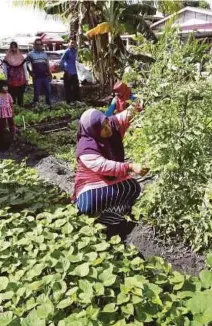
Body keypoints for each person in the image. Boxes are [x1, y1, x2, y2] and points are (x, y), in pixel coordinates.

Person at [74, 108, 148, 239]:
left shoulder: (113, 125)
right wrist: (130, 166)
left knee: (132, 187)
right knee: (88, 204)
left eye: (107, 122)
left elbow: (126, 115)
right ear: (93, 131)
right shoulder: (86, 147)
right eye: (102, 128)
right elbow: (104, 166)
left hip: (112, 181)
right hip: (91, 184)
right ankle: (107, 220)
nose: (108, 128)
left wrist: (139, 104)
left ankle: (114, 217)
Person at [26, 38, 52, 107]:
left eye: (40, 44)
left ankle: (48, 105)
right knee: (37, 92)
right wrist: (31, 73)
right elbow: (27, 64)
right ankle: (36, 106)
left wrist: (50, 73)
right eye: (37, 44)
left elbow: (47, 64)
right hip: (36, 76)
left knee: (48, 91)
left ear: (42, 45)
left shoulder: (44, 54)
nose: (38, 46)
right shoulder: (30, 54)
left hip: (45, 76)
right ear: (34, 45)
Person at [3, 41, 26, 107]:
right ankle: (13, 109)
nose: (13, 49)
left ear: (17, 48)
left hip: (20, 80)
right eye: (12, 47)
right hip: (11, 80)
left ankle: (20, 108)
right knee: (12, 96)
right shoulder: (7, 57)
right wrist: (6, 78)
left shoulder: (20, 57)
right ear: (10, 48)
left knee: (20, 95)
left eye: (15, 47)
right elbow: (5, 68)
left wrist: (27, 78)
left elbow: (24, 68)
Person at [60, 39, 80, 104]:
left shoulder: (75, 52)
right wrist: (65, 70)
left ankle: (75, 101)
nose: (72, 44)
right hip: (68, 72)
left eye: (74, 43)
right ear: (69, 44)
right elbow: (61, 61)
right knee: (68, 88)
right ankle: (68, 102)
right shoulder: (67, 52)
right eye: (71, 43)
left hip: (75, 72)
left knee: (75, 87)